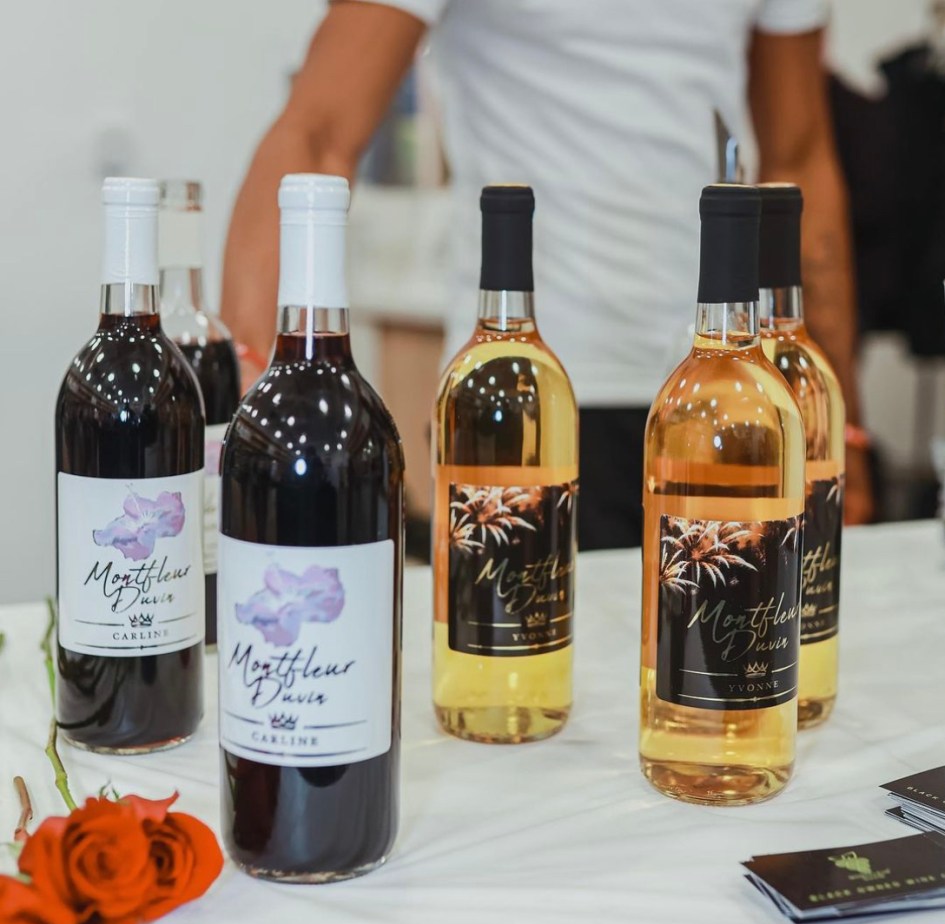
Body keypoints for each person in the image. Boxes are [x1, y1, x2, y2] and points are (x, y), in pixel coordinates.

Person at [221, 0, 873, 548]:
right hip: (525, 398)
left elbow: (799, 158)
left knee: (730, 662)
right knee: (519, 666)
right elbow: (317, 136)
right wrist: (254, 422)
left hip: (730, 392)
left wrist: (834, 420)